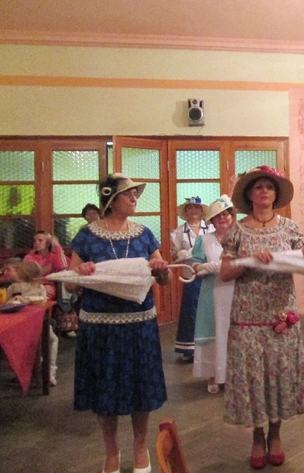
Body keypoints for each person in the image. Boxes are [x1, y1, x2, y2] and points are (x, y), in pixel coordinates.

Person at [66, 173, 170, 473]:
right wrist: (81, 272)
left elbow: (163, 279)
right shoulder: (86, 236)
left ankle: (140, 446)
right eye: (128, 194)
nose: (135, 198)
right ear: (111, 199)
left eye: (136, 193)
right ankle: (111, 451)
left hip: (139, 324)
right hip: (100, 325)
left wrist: (161, 269)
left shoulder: (144, 234)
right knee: (105, 388)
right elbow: (70, 285)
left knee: (141, 387)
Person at [219, 165, 304, 470]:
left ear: (276, 194)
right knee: (253, 380)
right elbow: (224, 273)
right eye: (258, 187)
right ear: (249, 194)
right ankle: (257, 437)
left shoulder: (290, 228)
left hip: (280, 315)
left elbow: (303, 261)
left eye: (269, 187)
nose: (264, 191)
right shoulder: (237, 230)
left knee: (278, 377)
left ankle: (275, 435)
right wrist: (249, 262)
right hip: (247, 316)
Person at [190, 195, 236, 394]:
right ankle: (213, 374)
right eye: (217, 216)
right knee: (214, 330)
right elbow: (193, 266)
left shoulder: (239, 238)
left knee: (234, 332)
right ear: (212, 220)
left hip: (236, 291)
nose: (222, 218)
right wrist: (204, 267)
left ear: (232, 216)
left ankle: (235, 374)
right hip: (212, 293)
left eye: (225, 214)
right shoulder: (204, 240)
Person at [170, 196, 214, 363]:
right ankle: (189, 349)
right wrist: (181, 254)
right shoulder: (179, 232)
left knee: (209, 311)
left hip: (209, 274)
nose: (194, 211)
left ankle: (210, 348)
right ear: (186, 211)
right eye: (190, 208)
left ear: (202, 211)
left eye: (197, 208)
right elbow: (174, 255)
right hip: (190, 277)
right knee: (191, 312)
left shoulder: (210, 228)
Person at [5, 260, 59, 385]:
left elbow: (8, 304)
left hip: (18, 326)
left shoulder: (12, 288)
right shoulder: (40, 288)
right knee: (52, 340)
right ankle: (50, 373)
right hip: (38, 325)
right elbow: (44, 306)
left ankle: (23, 373)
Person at [23, 230, 68, 301]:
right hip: (32, 286)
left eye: (40, 240)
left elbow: (62, 267)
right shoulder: (29, 257)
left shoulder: (54, 256)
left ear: (48, 243)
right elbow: (26, 276)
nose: (36, 243)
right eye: (35, 241)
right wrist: (41, 287)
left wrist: (57, 246)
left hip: (49, 288)